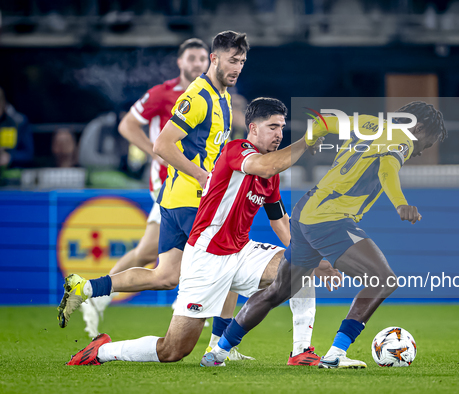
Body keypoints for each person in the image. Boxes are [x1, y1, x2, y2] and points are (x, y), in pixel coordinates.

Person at [63, 97, 336, 366]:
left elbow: (279, 221)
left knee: (299, 263)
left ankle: (301, 352)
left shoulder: (270, 172)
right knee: (172, 350)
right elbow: (268, 165)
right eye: (272, 127)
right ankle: (101, 351)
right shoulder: (236, 151)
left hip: (240, 252)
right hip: (206, 257)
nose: (279, 134)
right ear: (252, 128)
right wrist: (307, 140)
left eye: (282, 127)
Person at [203, 101, 448, 369]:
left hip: (306, 211)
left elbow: (323, 120)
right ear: (419, 127)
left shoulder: (369, 122)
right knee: (383, 279)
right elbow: (388, 167)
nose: (422, 151)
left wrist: (312, 140)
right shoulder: (403, 138)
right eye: (427, 142)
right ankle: (336, 354)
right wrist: (400, 202)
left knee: (279, 290)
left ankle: (218, 352)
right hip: (331, 217)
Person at [77, 37, 210, 339]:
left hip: (197, 183)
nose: (197, 64)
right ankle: (98, 293)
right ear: (180, 62)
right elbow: (127, 125)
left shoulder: (212, 95)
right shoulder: (162, 93)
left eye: (202, 58)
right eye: (191, 58)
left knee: (153, 252)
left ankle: (98, 292)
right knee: (164, 252)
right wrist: (157, 150)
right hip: (170, 184)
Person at [0, 87, 34, 174]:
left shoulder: (19, 122)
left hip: (13, 179)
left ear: (3, 103)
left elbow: (28, 154)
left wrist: (10, 157)